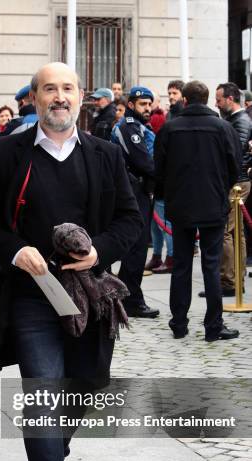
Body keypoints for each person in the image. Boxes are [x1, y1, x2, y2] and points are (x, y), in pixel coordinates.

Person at [0, 62, 143, 461]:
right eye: (49, 89)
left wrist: (100, 251)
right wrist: (15, 250)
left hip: (90, 296)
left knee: (85, 386)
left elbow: (131, 220)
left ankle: (46, 460)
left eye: (67, 89)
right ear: (34, 99)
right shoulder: (6, 152)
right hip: (30, 295)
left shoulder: (106, 155)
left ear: (80, 97)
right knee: (42, 390)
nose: (58, 97)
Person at [154, 80, 241, 342]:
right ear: (205, 100)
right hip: (213, 204)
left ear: (185, 99)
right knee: (211, 266)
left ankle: (179, 323)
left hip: (181, 205)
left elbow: (159, 167)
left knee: (181, 264)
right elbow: (234, 167)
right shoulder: (223, 128)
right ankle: (213, 326)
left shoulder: (170, 128)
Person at [111, 86, 160, 318]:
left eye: (149, 104)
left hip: (140, 189)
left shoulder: (140, 126)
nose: (148, 108)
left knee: (138, 246)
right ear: (131, 105)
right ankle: (131, 300)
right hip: (133, 190)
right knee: (136, 246)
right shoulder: (128, 127)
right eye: (143, 104)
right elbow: (144, 161)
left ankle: (127, 295)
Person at [210, 82, 252, 297]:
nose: (216, 103)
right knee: (237, 233)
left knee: (227, 231)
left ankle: (228, 281)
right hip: (238, 180)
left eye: (219, 99)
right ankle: (235, 278)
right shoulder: (235, 120)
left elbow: (235, 152)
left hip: (236, 182)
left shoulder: (240, 121)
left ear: (230, 98)